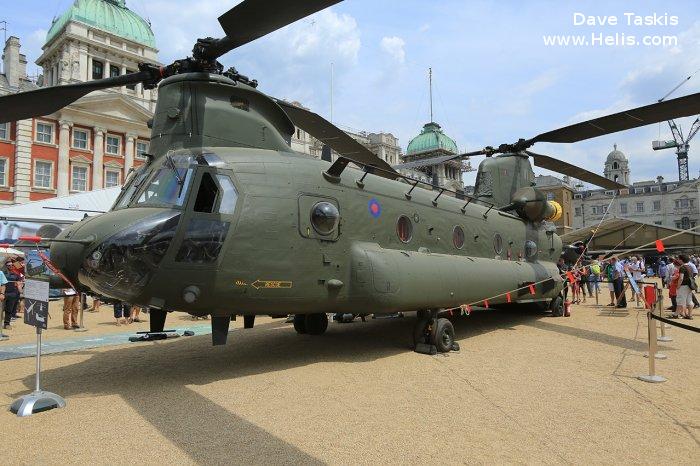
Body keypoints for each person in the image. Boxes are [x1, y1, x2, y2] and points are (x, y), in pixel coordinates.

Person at [3, 258, 23, 329]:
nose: (11, 266)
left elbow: (19, 284)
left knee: (9, 310)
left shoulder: (16, 274)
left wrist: (21, 292)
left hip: (12, 294)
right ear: (6, 266)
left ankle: (6, 324)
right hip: (2, 294)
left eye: (11, 265)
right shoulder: (2, 273)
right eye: (9, 265)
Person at [675, 255, 695, 319]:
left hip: (683, 286)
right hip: (689, 286)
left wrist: (678, 286)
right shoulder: (690, 267)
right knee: (689, 301)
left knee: (680, 300)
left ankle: (676, 314)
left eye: (679, 259)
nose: (678, 260)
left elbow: (681, 278)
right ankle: (690, 315)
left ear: (681, 260)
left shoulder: (682, 267)